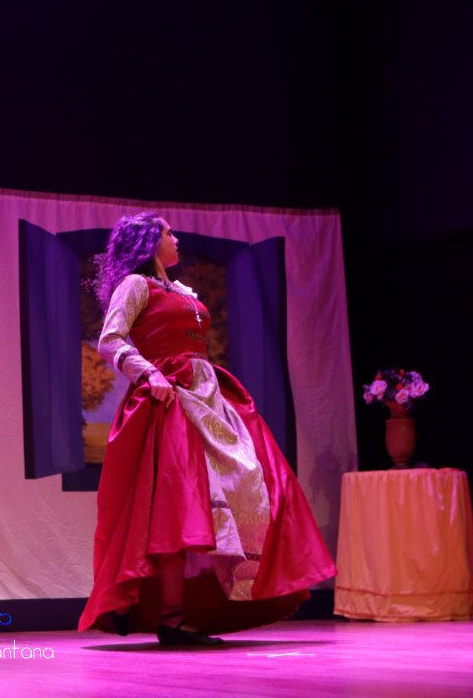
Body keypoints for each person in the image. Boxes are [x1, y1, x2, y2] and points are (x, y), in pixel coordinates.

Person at [78, 211, 335, 645]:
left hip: (207, 393)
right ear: (148, 241)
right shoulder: (136, 285)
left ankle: (215, 598)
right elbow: (110, 339)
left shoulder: (178, 290)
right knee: (177, 507)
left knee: (251, 478)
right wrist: (149, 374)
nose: (176, 239)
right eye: (168, 232)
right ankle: (170, 616)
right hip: (169, 398)